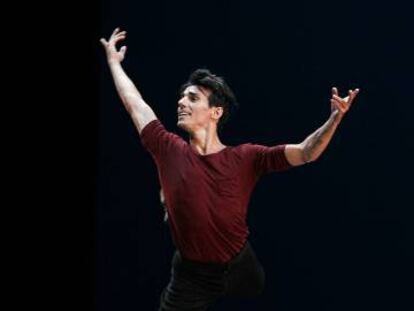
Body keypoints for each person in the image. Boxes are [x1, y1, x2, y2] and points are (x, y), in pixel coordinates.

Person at [100, 28, 359, 310]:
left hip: (240, 262)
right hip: (193, 277)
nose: (181, 102)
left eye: (193, 97)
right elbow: (134, 103)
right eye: (182, 97)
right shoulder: (168, 148)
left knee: (256, 286)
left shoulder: (246, 157)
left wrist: (334, 120)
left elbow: (306, 152)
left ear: (216, 112)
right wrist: (114, 63)